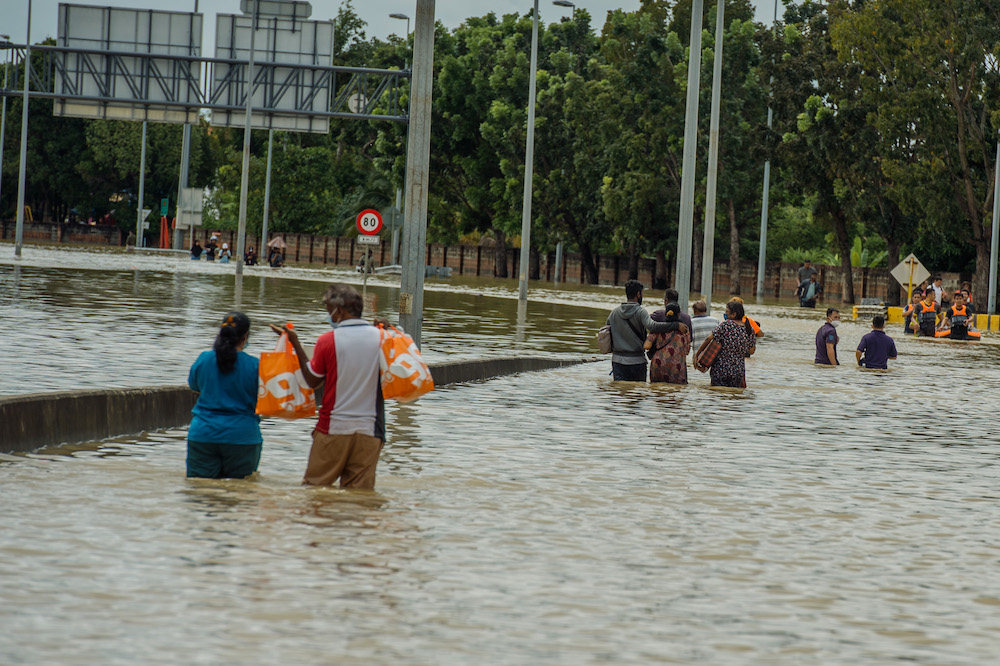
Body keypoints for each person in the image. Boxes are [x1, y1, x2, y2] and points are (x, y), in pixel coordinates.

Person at [271, 284, 386, 489]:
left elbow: (312, 381)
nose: (328, 314)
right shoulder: (382, 338)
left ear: (339, 310)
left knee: (315, 490)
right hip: (371, 431)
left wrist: (295, 343)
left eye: (327, 308)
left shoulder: (328, 340)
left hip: (334, 428)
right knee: (359, 495)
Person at [186, 312, 263, 479]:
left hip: (203, 434)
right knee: (239, 494)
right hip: (242, 438)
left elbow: (195, 385)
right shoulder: (256, 366)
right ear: (246, 336)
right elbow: (266, 397)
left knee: (201, 493)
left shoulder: (204, 359)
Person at [606, 279, 687, 381]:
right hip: (637, 361)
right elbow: (652, 326)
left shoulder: (614, 313)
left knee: (620, 392)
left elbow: (606, 332)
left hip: (617, 361)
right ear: (638, 294)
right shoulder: (640, 312)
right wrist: (675, 325)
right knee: (637, 393)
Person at [695, 300, 754, 388]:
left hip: (721, 369)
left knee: (718, 396)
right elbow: (751, 351)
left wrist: (697, 355)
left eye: (727, 312)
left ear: (734, 314)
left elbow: (708, 339)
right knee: (733, 397)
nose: (725, 314)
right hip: (738, 371)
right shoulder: (749, 329)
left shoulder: (726, 325)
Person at [644, 301, 691, 384]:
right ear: (679, 315)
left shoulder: (658, 328)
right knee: (676, 393)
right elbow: (687, 351)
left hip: (658, 365)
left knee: (657, 392)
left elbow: (647, 346)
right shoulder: (685, 330)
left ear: (665, 314)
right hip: (677, 367)